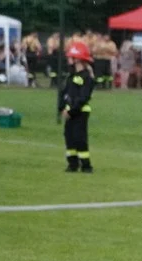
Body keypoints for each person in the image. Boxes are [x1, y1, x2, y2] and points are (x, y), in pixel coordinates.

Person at [58, 41, 96, 173]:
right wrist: (62, 107)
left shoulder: (87, 77)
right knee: (69, 137)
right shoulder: (71, 76)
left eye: (71, 57)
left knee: (79, 138)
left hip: (80, 112)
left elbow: (83, 97)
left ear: (78, 59)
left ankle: (86, 165)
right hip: (69, 112)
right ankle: (72, 164)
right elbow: (64, 93)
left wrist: (72, 110)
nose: (69, 59)